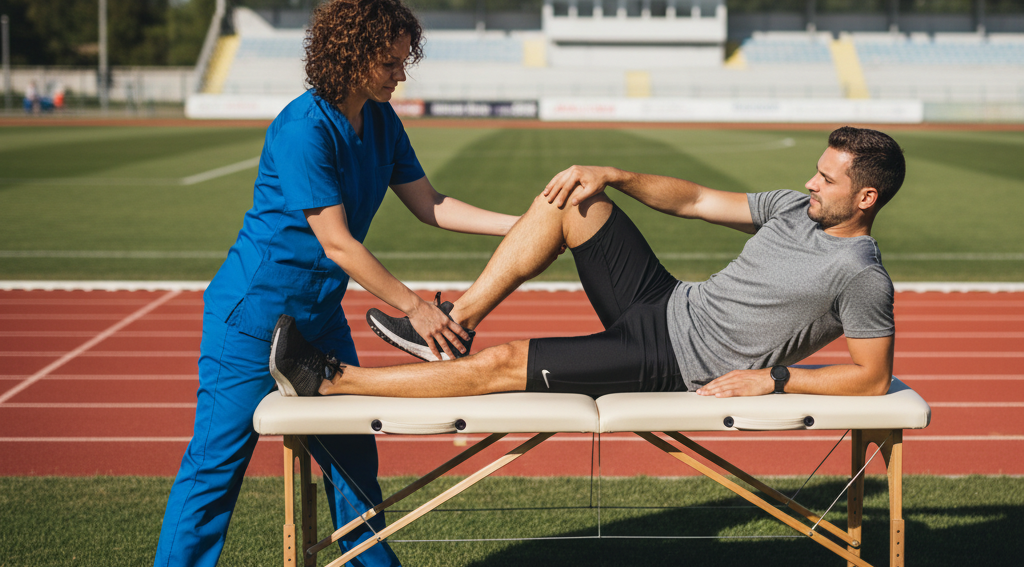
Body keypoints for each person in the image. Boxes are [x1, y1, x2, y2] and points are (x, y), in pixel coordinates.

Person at [144, 0, 519, 567]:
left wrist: (524, 229)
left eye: (406, 60)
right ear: (353, 55)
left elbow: (430, 204)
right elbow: (339, 242)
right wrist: (414, 307)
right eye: (392, 61)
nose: (402, 74)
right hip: (252, 316)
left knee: (353, 459)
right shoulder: (301, 128)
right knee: (214, 469)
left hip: (318, 318)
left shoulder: (380, 121)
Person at [271, 127, 905, 404]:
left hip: (675, 363)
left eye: (825, 179)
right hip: (665, 303)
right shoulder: (796, 208)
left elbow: (871, 377)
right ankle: (453, 320)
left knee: (501, 364)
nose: (809, 183)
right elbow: (697, 200)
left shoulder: (859, 273)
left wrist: (776, 380)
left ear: (865, 198)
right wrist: (613, 174)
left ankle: (328, 380)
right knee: (575, 194)